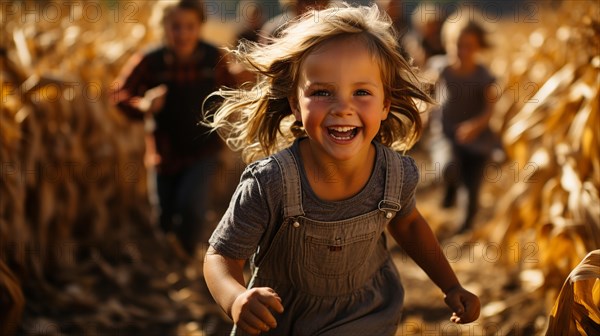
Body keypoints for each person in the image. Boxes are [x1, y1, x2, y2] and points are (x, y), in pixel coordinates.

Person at [203, 4, 481, 335]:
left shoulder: (393, 175)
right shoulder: (271, 183)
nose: (343, 108)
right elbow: (221, 257)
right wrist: (236, 299)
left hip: (366, 314)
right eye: (322, 92)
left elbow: (408, 225)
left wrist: (451, 286)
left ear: (385, 104)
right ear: (294, 103)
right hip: (281, 320)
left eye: (361, 92)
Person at [114, 0, 234, 256]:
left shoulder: (214, 58)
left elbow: (231, 93)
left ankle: (188, 256)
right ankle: (171, 256)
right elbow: (120, 94)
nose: (183, 33)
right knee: (164, 214)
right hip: (163, 152)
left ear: (200, 26)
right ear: (163, 27)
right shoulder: (150, 60)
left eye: (190, 26)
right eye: (175, 27)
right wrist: (144, 104)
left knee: (191, 207)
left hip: (203, 150)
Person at [435, 19, 498, 233]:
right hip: (449, 133)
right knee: (448, 167)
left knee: (472, 187)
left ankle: (464, 229)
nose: (462, 51)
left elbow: (490, 110)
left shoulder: (484, 77)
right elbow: (426, 92)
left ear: (478, 47)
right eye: (457, 45)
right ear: (448, 43)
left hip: (478, 138)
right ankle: (449, 190)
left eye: (468, 46)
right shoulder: (442, 68)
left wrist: (475, 126)